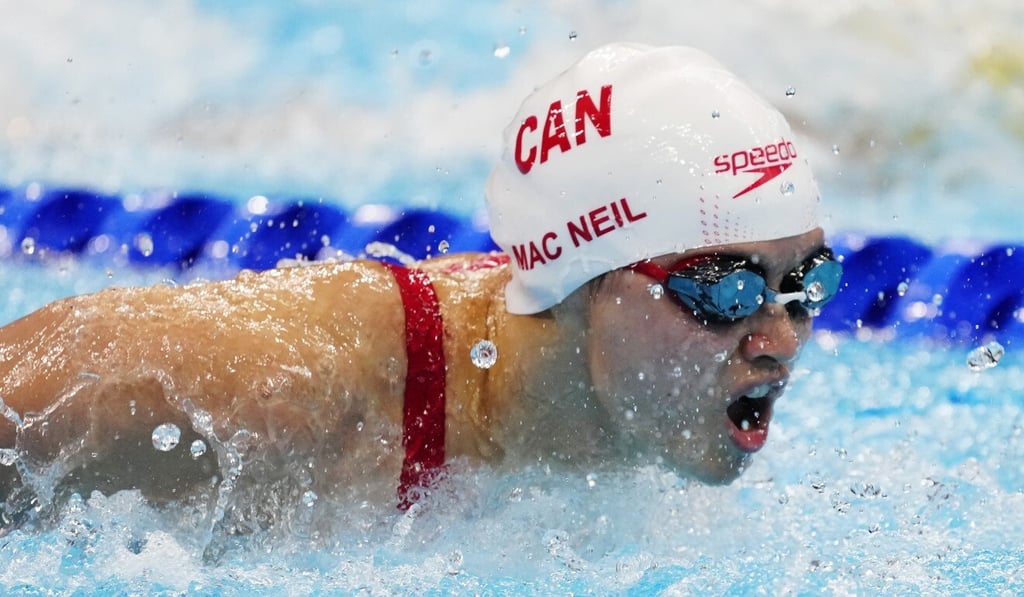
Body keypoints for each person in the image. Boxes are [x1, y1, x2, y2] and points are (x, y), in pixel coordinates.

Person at [0, 43, 841, 521]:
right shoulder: (275, 389)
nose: (779, 340)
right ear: (580, 279)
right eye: (724, 291)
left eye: (806, 281)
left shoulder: (628, 403)